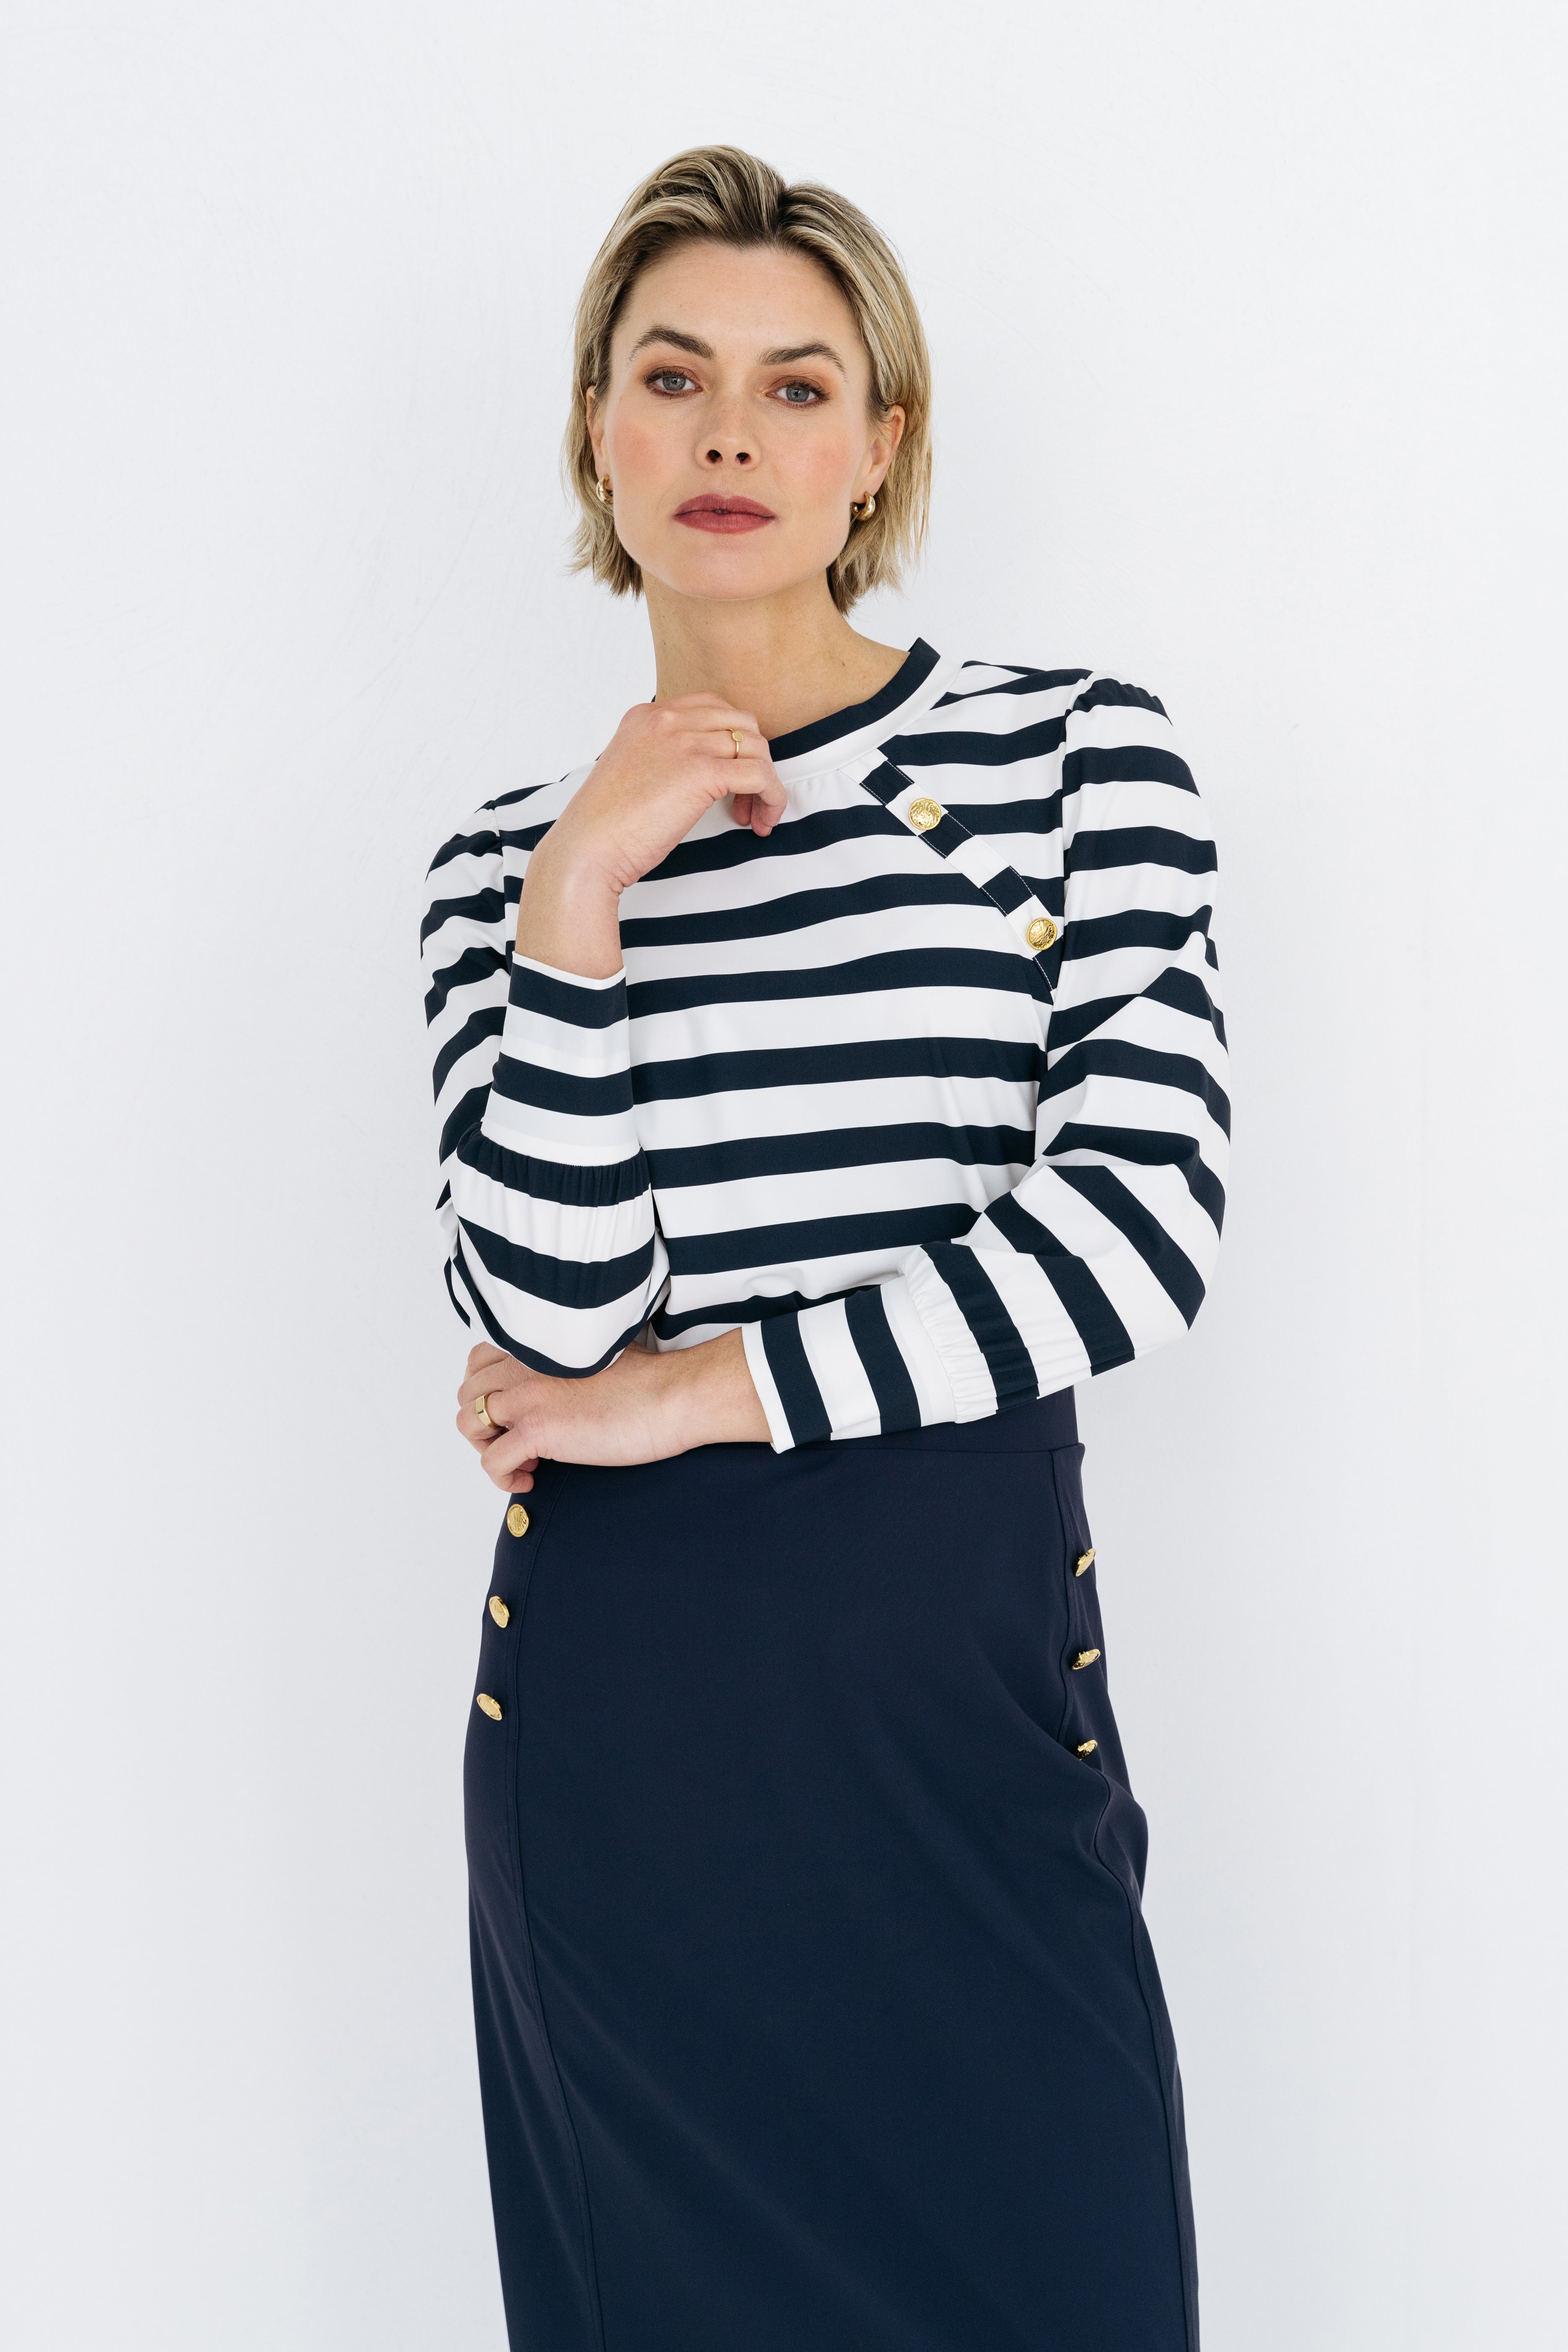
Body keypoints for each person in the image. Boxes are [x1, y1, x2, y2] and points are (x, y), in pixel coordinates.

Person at [420, 143, 1226, 2352]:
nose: (729, 435)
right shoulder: (506, 867)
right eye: (672, 376)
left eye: (796, 386)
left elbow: (1136, 1231)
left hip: (962, 1705)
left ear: (880, 446)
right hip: (626, 1745)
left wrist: (694, 1390)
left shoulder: (1071, 762)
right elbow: (546, 1310)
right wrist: (577, 903)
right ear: (598, 429)